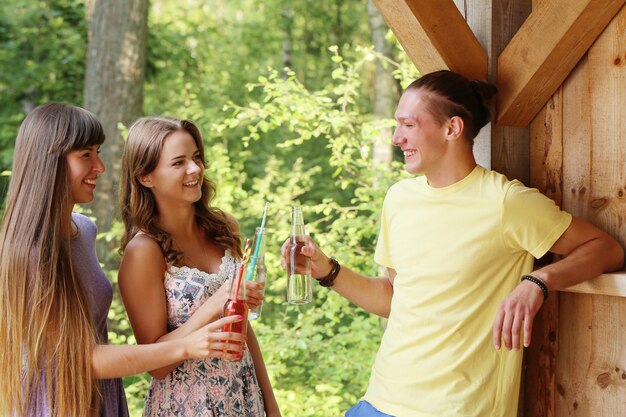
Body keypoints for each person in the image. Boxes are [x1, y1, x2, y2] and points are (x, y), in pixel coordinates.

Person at [282, 70, 624, 417]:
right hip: (379, 401)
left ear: (452, 128)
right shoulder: (399, 198)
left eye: (408, 125)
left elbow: (606, 248)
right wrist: (328, 271)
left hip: (456, 409)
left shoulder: (505, 202)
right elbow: (396, 299)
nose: (397, 137)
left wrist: (538, 281)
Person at [0, 103, 246, 417]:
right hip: (58, 403)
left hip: (102, 399)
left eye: (97, 152)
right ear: (49, 161)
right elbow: (80, 360)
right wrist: (186, 345)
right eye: (85, 155)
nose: (100, 167)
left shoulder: (84, 231)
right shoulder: (29, 254)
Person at [118, 116, 281, 417]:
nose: (195, 169)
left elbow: (242, 328)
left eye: (195, 158)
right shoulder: (143, 252)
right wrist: (215, 304)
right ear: (145, 177)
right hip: (188, 407)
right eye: (178, 163)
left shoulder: (222, 227)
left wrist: (271, 407)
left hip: (245, 398)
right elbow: (155, 365)